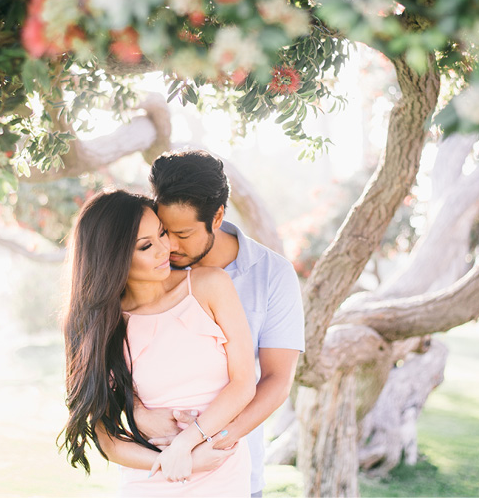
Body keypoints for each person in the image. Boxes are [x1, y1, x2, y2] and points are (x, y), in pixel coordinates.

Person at [60, 189, 256, 497]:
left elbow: (244, 383)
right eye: (146, 245)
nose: (165, 248)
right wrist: (177, 460)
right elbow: (107, 439)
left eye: (162, 233)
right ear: (113, 257)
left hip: (220, 473)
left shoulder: (209, 285)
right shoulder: (101, 328)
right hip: (151, 479)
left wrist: (186, 442)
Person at [139, 149, 306, 498]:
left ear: (217, 217)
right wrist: (140, 416)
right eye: (163, 230)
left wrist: (209, 441)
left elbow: (277, 379)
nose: (168, 245)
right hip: (151, 469)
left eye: (182, 234)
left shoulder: (272, 274)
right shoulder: (147, 267)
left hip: (232, 471)